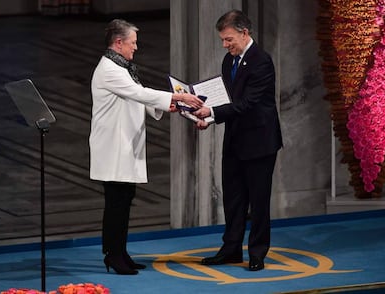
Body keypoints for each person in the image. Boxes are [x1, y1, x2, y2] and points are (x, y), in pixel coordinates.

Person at [89, 19, 203, 275]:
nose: (136, 48)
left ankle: (120, 251)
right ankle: (113, 254)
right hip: (113, 147)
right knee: (116, 202)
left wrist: (165, 106)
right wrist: (177, 96)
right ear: (118, 43)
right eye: (132, 43)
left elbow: (136, 93)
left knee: (125, 198)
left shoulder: (122, 67)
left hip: (123, 144)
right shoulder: (109, 69)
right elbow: (138, 93)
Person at [194, 10, 283, 271]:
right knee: (233, 200)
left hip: (259, 143)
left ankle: (257, 253)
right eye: (222, 40)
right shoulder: (228, 60)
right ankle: (231, 249)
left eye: (229, 39)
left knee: (258, 202)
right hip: (234, 140)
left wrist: (211, 112)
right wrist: (208, 118)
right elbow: (226, 101)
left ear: (245, 33)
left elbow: (246, 104)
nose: (225, 45)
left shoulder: (261, 61)